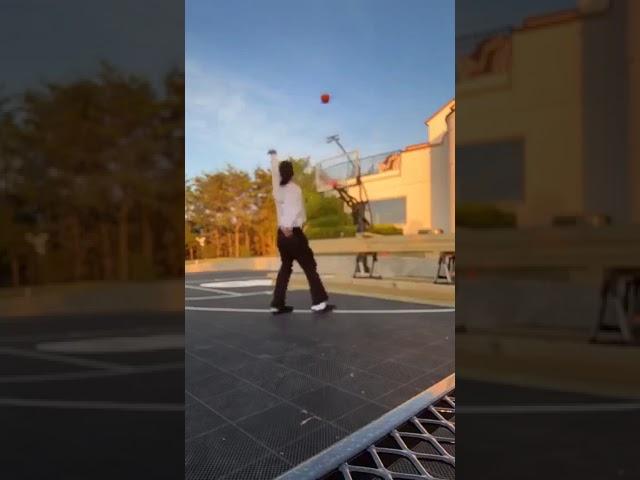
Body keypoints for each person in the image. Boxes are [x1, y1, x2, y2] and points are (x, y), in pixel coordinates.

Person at [268, 149, 334, 314]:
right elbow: (293, 207)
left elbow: (274, 177)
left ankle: (277, 303)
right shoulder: (294, 189)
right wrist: (288, 226)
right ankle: (319, 301)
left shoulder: (277, 189)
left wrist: (273, 158)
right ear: (292, 173)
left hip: (280, 236)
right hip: (291, 232)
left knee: (285, 267)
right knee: (309, 266)